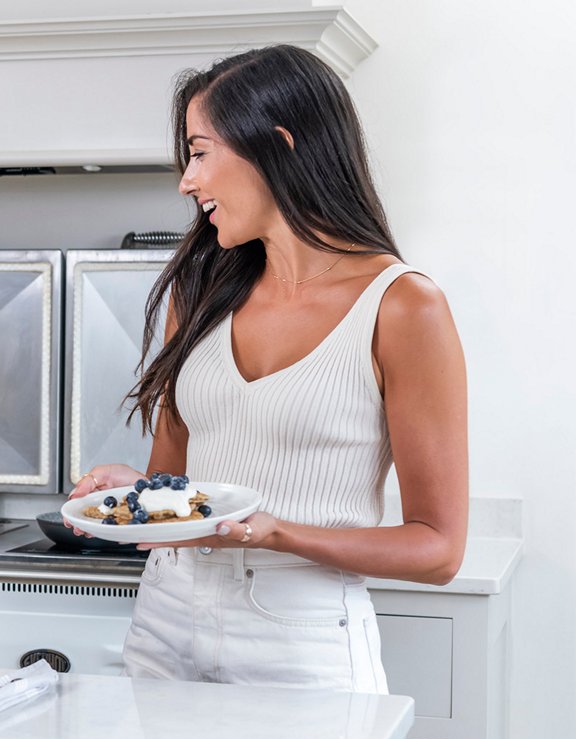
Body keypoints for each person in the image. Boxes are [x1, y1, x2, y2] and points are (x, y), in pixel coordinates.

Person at [69, 45, 467, 692]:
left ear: (278, 145)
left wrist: (277, 534)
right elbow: (181, 490)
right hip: (166, 620)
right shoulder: (198, 294)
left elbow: (438, 550)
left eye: (200, 153)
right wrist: (138, 493)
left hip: (300, 639)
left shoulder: (402, 307)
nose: (187, 182)